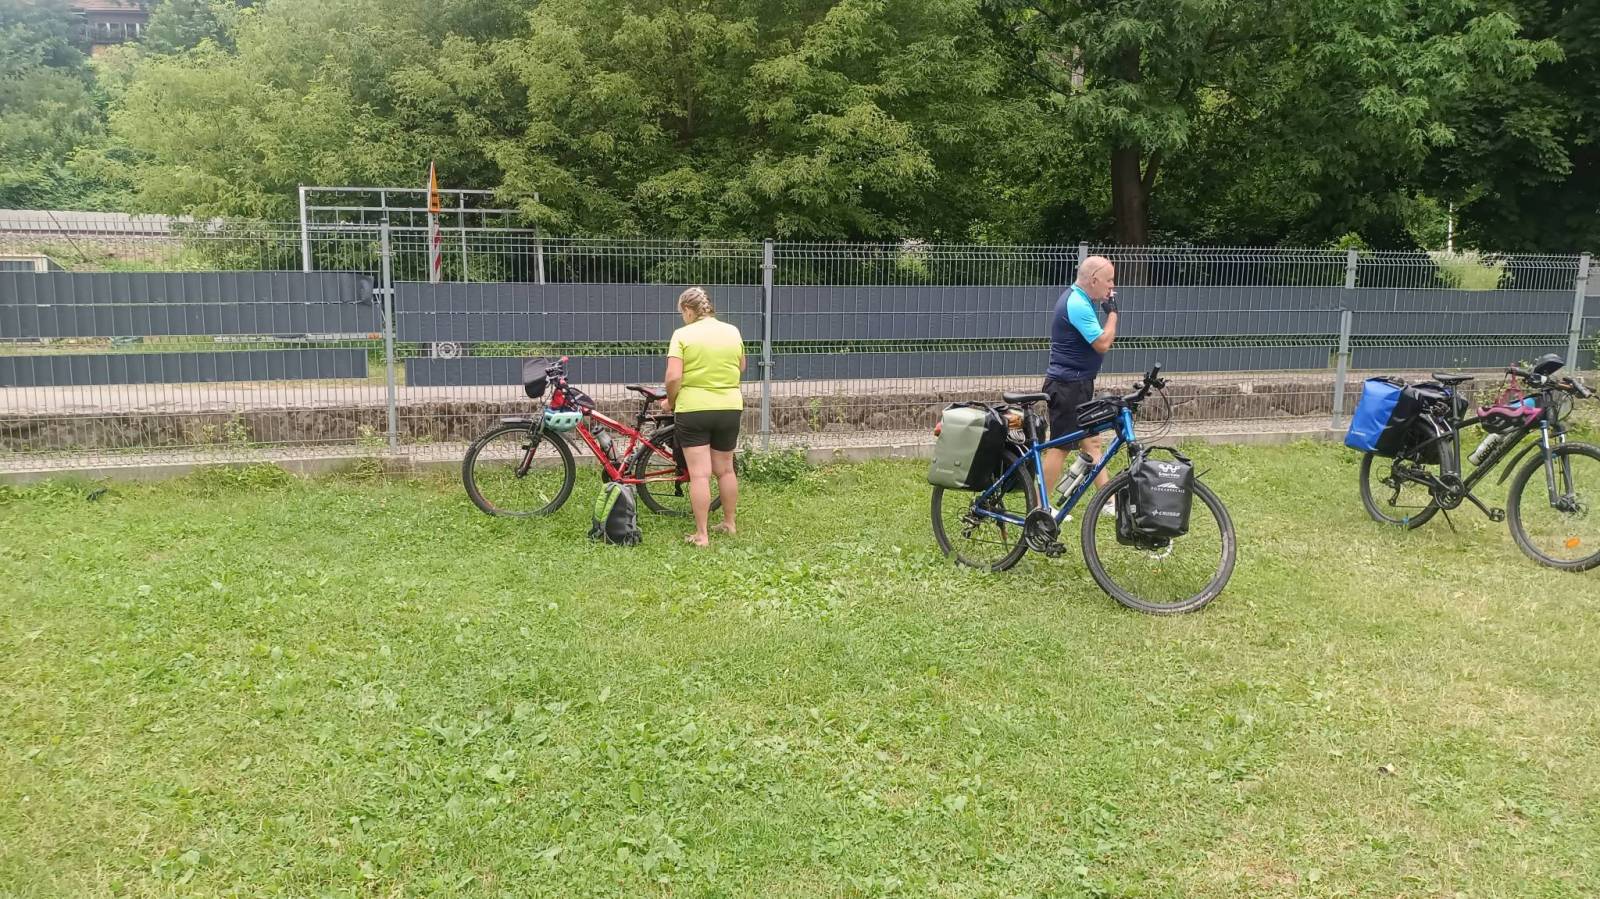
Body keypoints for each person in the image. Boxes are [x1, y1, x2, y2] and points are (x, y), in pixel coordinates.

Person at [664, 287, 744, 546]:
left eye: (682, 313)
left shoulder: (682, 335)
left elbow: (674, 377)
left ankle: (702, 534)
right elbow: (741, 365)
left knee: (700, 474)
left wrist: (670, 402)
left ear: (688, 310)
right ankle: (729, 523)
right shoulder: (732, 331)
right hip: (729, 407)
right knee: (726, 470)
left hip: (694, 409)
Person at [1041, 255, 1119, 504]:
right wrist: (1113, 314)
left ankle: (1108, 502)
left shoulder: (1081, 299)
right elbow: (1102, 343)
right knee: (1060, 447)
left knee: (1092, 442)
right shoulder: (1077, 303)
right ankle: (1041, 507)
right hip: (1067, 386)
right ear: (1094, 280)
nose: (1112, 286)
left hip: (1078, 383)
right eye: (1109, 280)